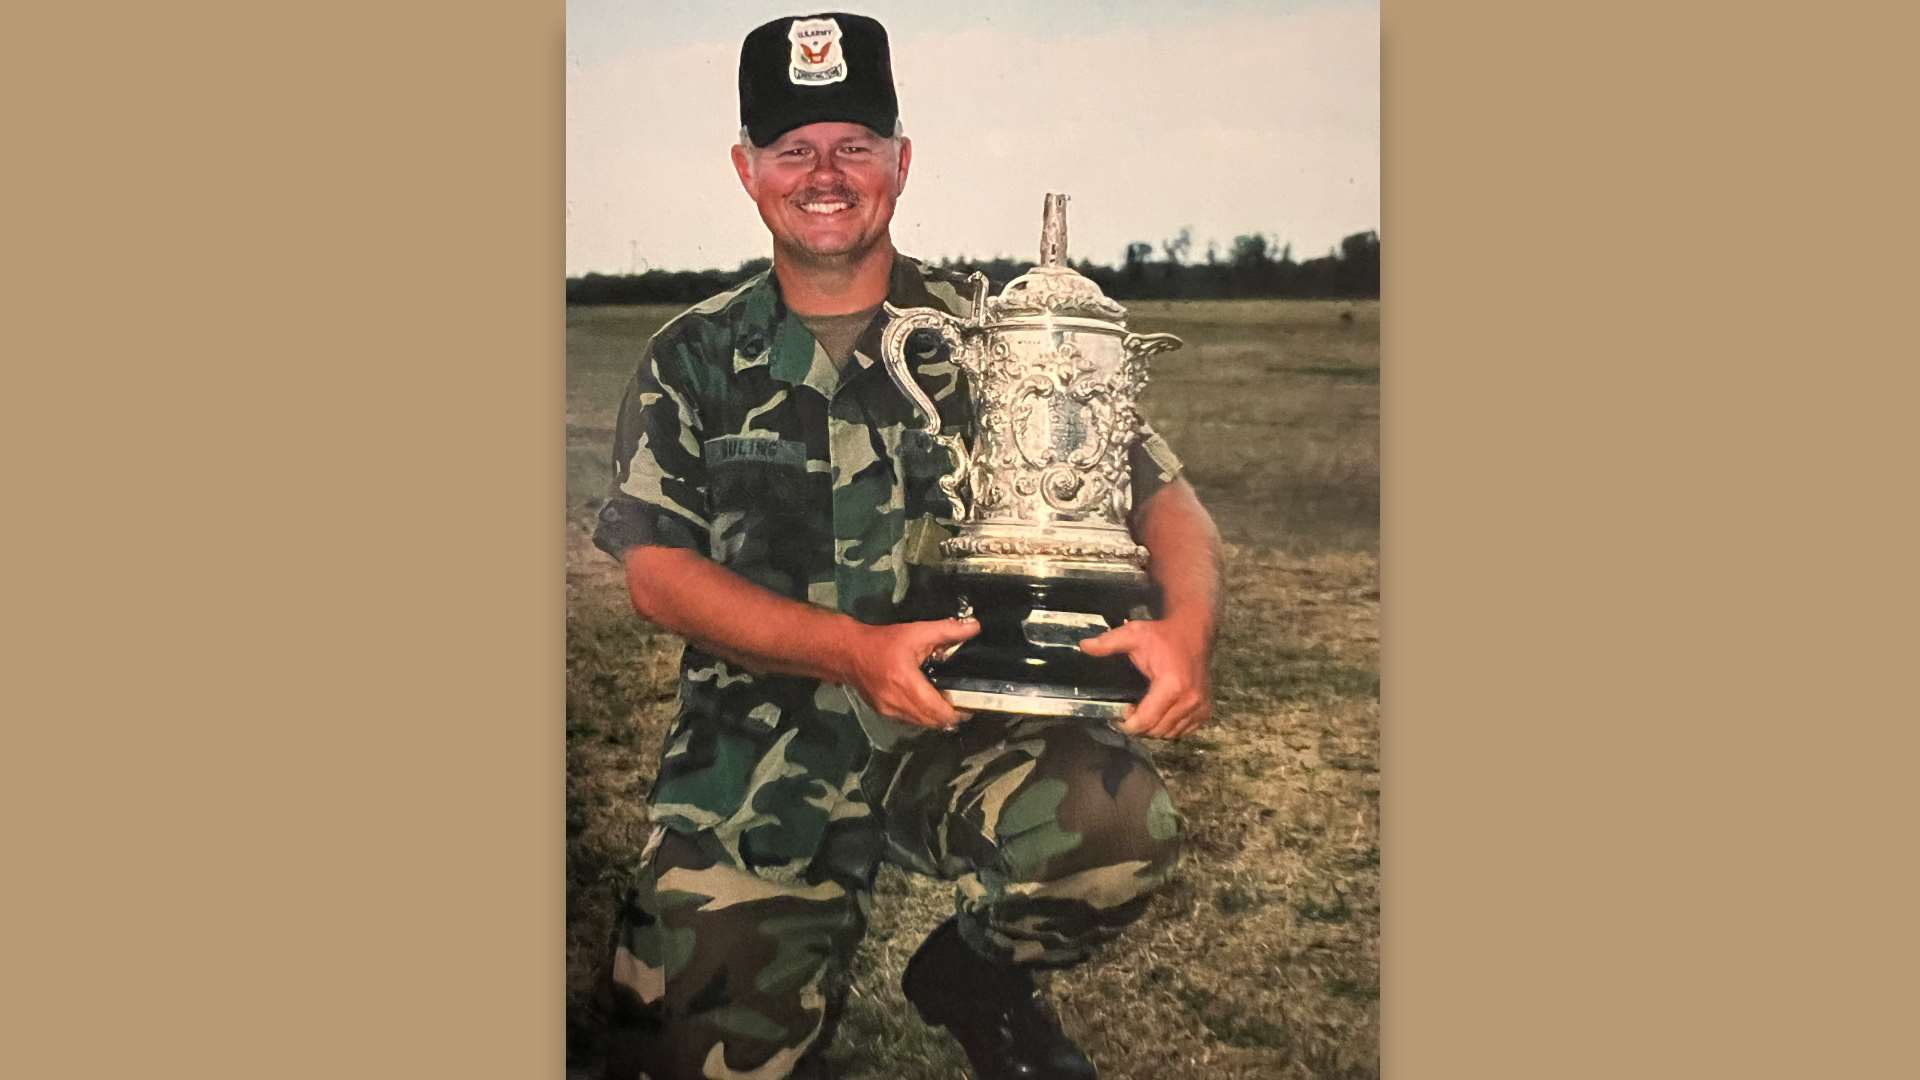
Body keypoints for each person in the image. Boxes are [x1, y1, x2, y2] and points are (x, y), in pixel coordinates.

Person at [592, 13, 1223, 1080]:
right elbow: (659, 576)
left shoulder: (995, 336)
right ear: (747, 170)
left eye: (854, 144)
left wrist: (1189, 629)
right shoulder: (692, 356)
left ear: (901, 161)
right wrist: (851, 653)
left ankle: (976, 980)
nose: (824, 174)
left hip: (965, 727)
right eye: (793, 148)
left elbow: (1167, 503)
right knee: (681, 1058)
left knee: (1113, 825)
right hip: (759, 755)